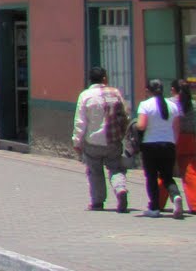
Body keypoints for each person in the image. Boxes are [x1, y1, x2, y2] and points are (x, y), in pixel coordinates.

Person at [72, 66, 132, 212]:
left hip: (93, 141)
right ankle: (120, 189)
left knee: (95, 171)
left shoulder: (85, 96)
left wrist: (77, 141)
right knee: (115, 168)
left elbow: (80, 121)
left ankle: (97, 202)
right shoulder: (115, 93)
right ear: (104, 78)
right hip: (113, 140)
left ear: (90, 80)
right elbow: (126, 114)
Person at [134, 78, 185, 218]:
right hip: (168, 144)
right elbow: (176, 127)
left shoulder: (145, 105)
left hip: (150, 145)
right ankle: (176, 197)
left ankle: (154, 208)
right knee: (167, 176)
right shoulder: (173, 106)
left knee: (151, 176)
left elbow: (142, 125)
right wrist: (173, 142)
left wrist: (135, 125)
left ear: (147, 90)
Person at [178, 80, 196, 221]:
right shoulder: (194, 105)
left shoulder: (172, 105)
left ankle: (158, 202)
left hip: (174, 139)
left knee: (165, 173)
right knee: (190, 172)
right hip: (190, 140)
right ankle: (195, 204)